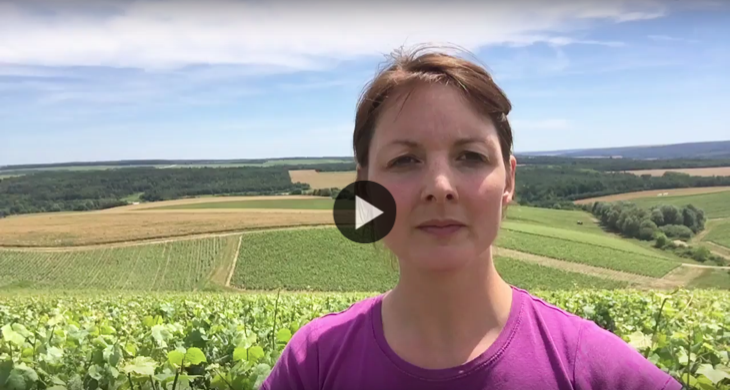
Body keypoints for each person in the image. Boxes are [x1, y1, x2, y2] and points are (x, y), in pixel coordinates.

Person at [260, 45, 683, 390]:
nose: (440, 185)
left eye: (470, 156)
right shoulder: (313, 364)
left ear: (508, 181)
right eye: (405, 159)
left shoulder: (590, 368)